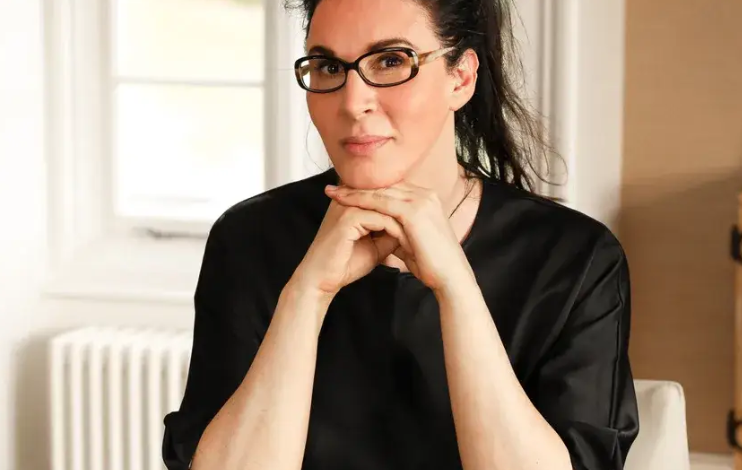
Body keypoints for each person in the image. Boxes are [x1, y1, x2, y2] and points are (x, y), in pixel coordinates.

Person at [162, 0, 639, 468]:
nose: (352, 102)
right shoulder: (248, 240)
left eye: (391, 61)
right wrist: (306, 293)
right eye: (329, 67)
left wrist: (456, 288)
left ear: (461, 77)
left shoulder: (577, 260)